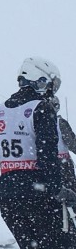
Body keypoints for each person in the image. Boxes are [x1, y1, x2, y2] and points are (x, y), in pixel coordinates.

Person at [0, 56, 75, 248]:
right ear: (40, 80)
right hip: (39, 194)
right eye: (51, 85)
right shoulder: (42, 108)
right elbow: (48, 156)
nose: (51, 91)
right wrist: (58, 189)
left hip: (9, 196)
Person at [50, 96, 76, 242]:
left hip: (47, 164)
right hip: (63, 164)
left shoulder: (38, 120)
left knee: (54, 196)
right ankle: (69, 229)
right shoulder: (60, 122)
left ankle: (58, 228)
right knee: (69, 195)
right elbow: (72, 142)